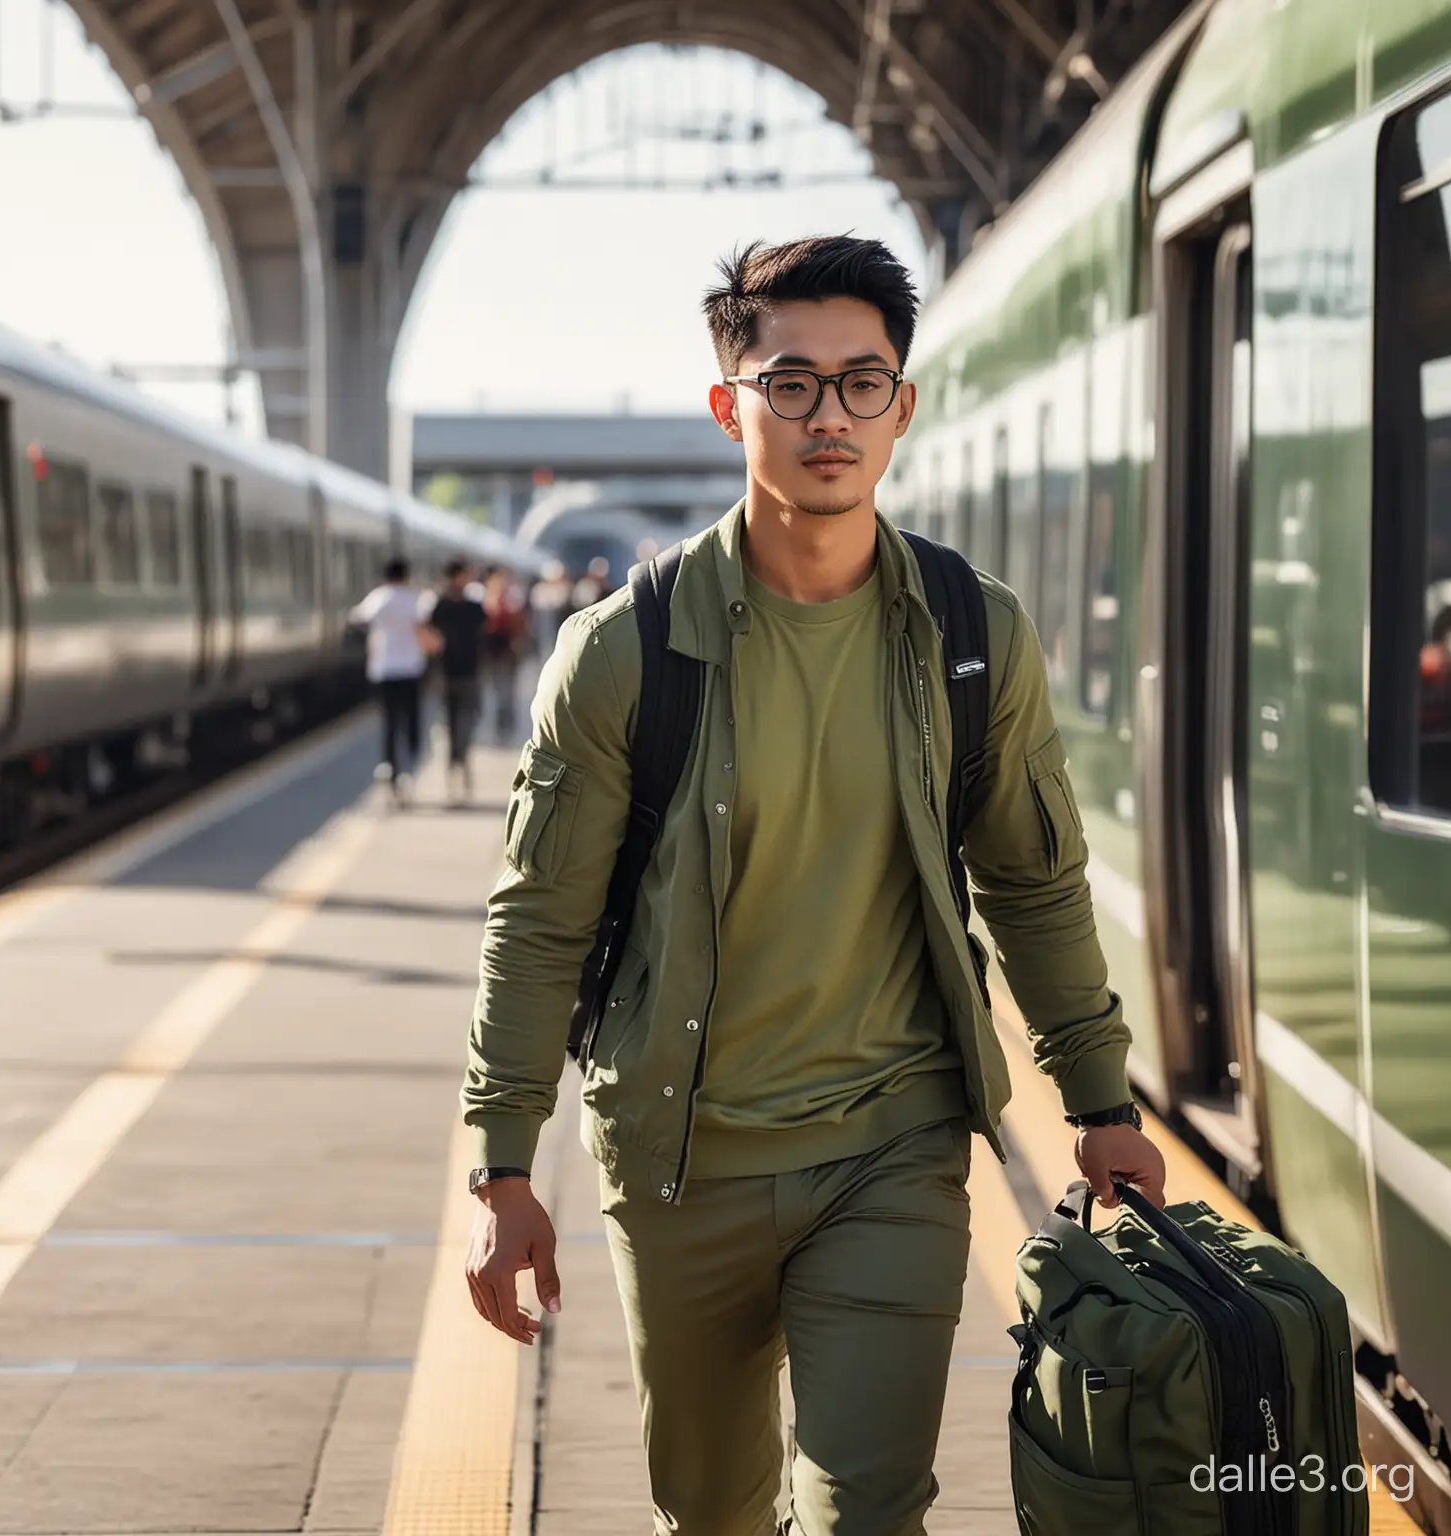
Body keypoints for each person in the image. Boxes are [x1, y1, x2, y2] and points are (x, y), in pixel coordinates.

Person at [461, 234, 1168, 1535]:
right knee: (712, 1514)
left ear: (905, 406)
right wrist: (505, 1167)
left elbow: (1035, 879)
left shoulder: (972, 633)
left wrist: (1100, 1093)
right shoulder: (623, 653)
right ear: (730, 404)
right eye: (791, 384)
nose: (829, 417)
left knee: (872, 1508)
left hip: (891, 1148)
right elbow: (541, 917)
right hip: (681, 1161)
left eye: (863, 383)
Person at [349, 555, 430, 805]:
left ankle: (390, 771)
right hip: (411, 669)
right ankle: (409, 771)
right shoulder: (414, 600)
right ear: (406, 575)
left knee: (389, 724)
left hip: (383, 670)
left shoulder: (378, 598)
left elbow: (356, 619)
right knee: (411, 721)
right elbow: (424, 629)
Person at [425, 558, 487, 804]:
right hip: (448, 674)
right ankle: (455, 771)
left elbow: (485, 633)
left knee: (467, 723)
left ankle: (461, 765)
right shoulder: (440, 607)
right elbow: (427, 633)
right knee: (451, 725)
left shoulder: (474, 607)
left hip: (470, 673)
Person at [479, 567, 530, 744]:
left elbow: (519, 626)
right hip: (494, 653)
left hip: (508, 653)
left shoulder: (512, 601)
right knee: (498, 690)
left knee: (507, 690)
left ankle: (506, 724)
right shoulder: (486, 601)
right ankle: (501, 724)